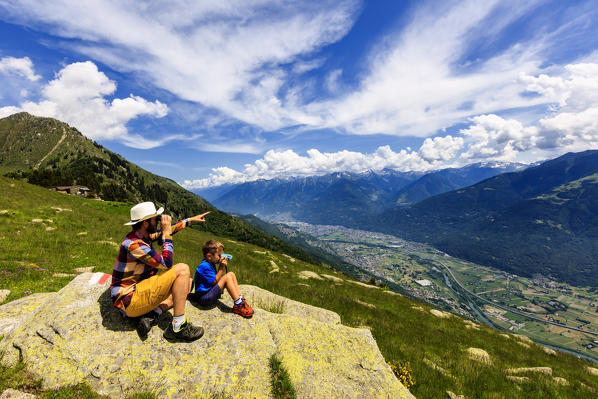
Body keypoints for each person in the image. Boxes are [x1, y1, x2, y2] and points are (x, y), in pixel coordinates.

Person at [111, 201, 210, 341]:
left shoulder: (142, 235)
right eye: (155, 219)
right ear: (145, 223)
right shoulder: (134, 245)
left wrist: (190, 220)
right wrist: (167, 233)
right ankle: (178, 327)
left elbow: (166, 230)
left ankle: (151, 315)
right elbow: (167, 263)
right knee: (183, 269)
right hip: (129, 300)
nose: (158, 222)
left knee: (187, 283)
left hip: (137, 292)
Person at [192, 240, 254, 318]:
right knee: (227, 277)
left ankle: (240, 300)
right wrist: (221, 268)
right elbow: (214, 282)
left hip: (208, 293)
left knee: (231, 274)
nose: (222, 257)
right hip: (203, 298)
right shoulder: (204, 266)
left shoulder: (209, 262)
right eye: (219, 255)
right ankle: (239, 305)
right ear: (209, 256)